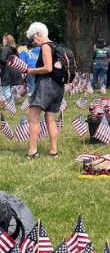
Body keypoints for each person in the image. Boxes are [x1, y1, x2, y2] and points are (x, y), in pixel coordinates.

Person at [23, 22, 63, 159]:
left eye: (33, 38)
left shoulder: (46, 46)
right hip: (59, 86)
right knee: (50, 118)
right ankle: (54, 151)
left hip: (46, 84)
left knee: (33, 116)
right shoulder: (56, 46)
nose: (34, 42)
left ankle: (32, 151)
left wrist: (31, 71)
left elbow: (48, 68)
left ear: (39, 34)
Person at [0, 34, 23, 106]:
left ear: (6, 40)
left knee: (6, 88)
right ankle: (11, 104)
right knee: (9, 88)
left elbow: (3, 59)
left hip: (7, 72)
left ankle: (10, 105)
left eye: (3, 39)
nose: (2, 41)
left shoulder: (6, 49)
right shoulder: (15, 50)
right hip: (14, 71)